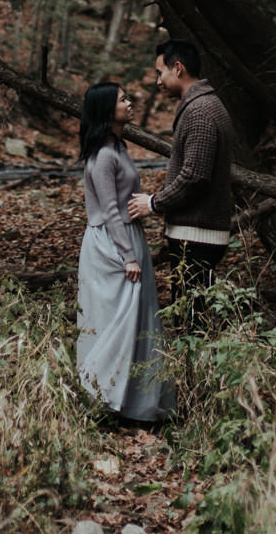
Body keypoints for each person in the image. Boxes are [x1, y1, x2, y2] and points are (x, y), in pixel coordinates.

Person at [75, 81, 174, 423]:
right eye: (123, 99)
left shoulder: (118, 148)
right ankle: (101, 398)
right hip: (111, 245)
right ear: (107, 109)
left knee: (138, 319)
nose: (131, 103)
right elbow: (110, 210)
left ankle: (135, 403)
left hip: (128, 239)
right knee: (116, 323)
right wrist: (127, 256)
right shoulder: (103, 155)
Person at [128, 40, 235, 325]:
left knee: (190, 320)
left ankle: (193, 370)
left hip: (197, 235)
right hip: (197, 232)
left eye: (160, 72)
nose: (158, 81)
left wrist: (153, 203)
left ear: (178, 68)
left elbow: (195, 176)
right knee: (193, 314)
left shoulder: (200, 111)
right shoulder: (202, 105)